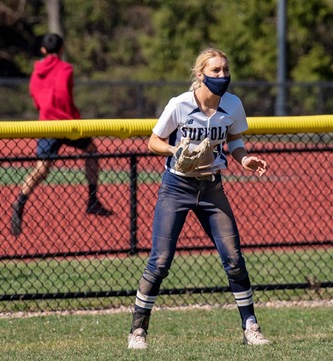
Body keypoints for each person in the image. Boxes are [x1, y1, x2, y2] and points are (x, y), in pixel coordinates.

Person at [127, 48, 271, 349]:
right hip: (176, 187)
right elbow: (155, 140)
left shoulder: (232, 104)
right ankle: (138, 331)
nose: (222, 76)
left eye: (225, 70)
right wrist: (173, 151)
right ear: (200, 74)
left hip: (211, 188)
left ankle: (250, 327)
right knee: (160, 261)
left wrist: (244, 159)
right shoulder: (179, 104)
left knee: (233, 260)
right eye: (215, 70)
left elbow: (234, 139)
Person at [11, 33, 113, 237]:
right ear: (61, 49)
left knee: (41, 169)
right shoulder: (66, 69)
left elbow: (35, 96)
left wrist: (45, 110)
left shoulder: (36, 71)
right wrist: (75, 118)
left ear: (42, 50)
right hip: (67, 123)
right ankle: (92, 199)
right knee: (92, 150)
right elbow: (65, 96)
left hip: (47, 124)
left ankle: (20, 201)